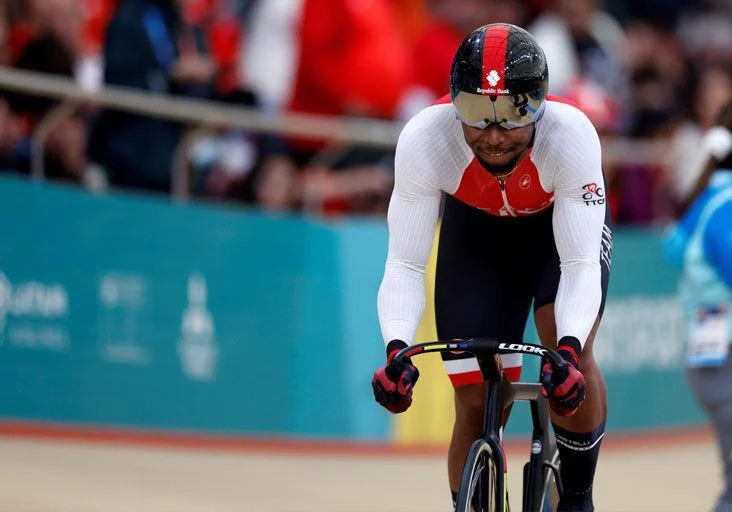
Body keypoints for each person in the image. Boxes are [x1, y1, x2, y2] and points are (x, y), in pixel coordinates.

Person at [371, 24, 611, 512]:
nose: (495, 136)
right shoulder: (425, 137)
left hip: (554, 237)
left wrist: (565, 349)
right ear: (455, 102)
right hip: (477, 238)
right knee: (476, 404)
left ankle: (578, 498)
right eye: (477, 116)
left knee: (570, 350)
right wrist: (397, 350)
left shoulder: (571, 136)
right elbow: (403, 263)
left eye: (512, 116)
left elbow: (582, 263)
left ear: (539, 106)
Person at [664, 102, 732, 512]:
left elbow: (673, 247)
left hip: (712, 358)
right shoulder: (723, 206)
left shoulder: (706, 199)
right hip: (723, 360)